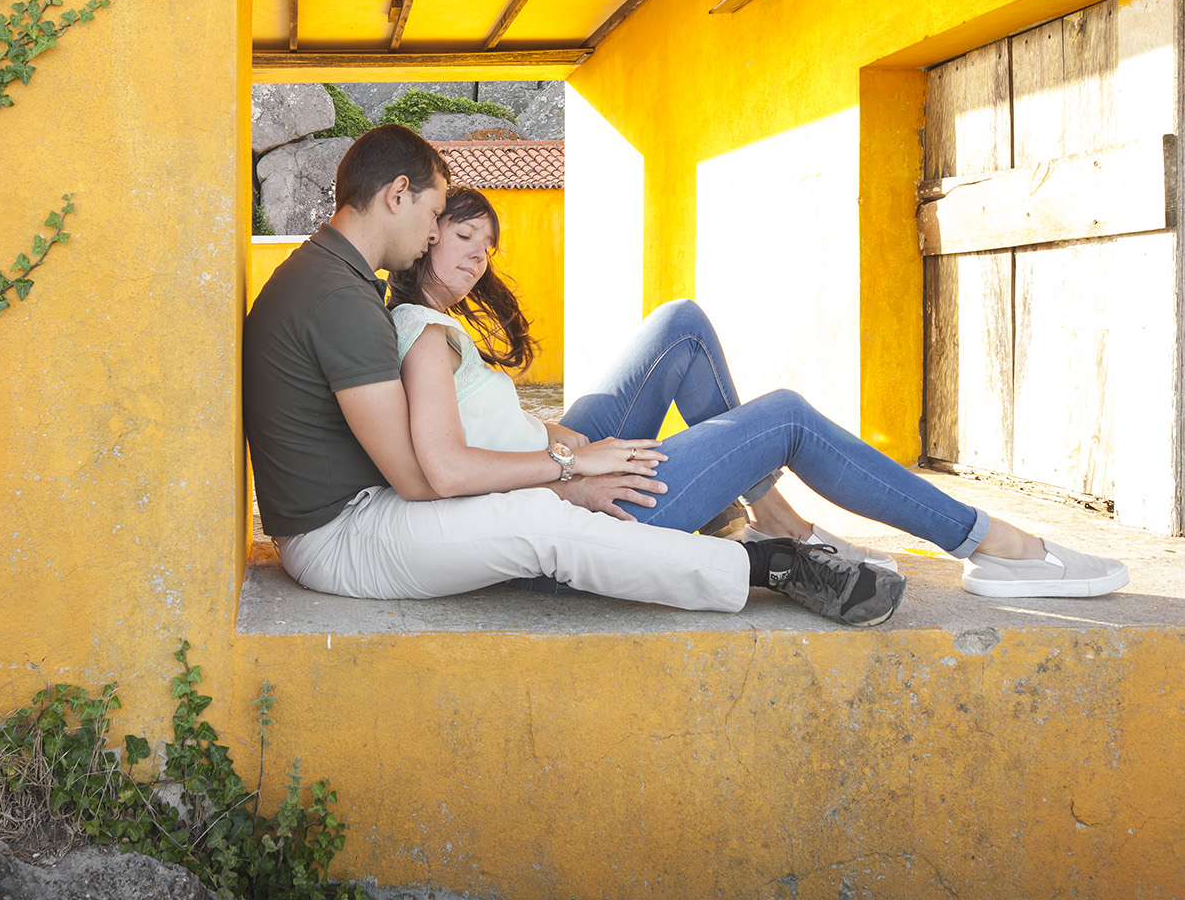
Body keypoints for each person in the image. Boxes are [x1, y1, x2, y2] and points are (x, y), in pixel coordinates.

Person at [385, 182, 1129, 602]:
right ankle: (992, 544)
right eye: (463, 239)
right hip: (570, 508)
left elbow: (477, 425)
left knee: (681, 324)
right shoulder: (423, 335)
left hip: (554, 468)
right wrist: (574, 472)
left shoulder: (431, 325)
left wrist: (554, 433)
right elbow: (447, 471)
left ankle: (769, 514)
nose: (480, 258)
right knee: (785, 418)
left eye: (488, 245)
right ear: (424, 237)